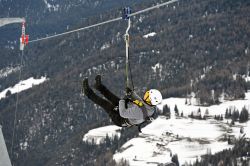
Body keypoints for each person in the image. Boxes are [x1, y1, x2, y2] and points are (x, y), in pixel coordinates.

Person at [82, 75, 163, 131]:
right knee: (112, 97)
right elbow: (141, 103)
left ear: (150, 99)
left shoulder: (140, 112)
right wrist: (131, 94)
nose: (145, 94)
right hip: (129, 109)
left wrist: (123, 100)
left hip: (120, 119)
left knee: (105, 104)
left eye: (147, 95)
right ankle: (99, 86)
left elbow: (123, 113)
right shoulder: (150, 106)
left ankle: (87, 92)